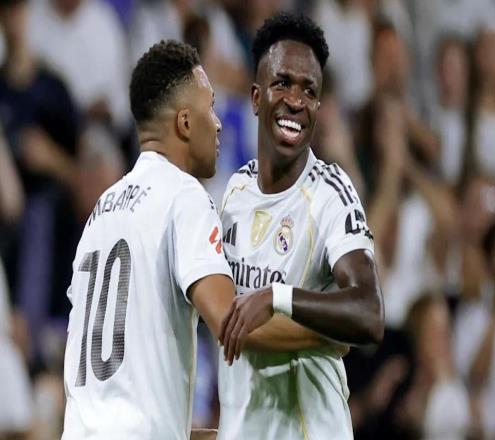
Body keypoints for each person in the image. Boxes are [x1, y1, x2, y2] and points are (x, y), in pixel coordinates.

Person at [62, 39, 324, 440]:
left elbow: (120, 389)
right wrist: (324, 334)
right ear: (185, 123)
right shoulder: (183, 196)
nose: (218, 124)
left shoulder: (100, 213)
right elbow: (233, 325)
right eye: (211, 107)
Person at [218, 13, 384, 439]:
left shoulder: (331, 193)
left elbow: (369, 313)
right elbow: (225, 323)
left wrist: (278, 297)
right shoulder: (234, 193)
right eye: (283, 83)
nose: (295, 100)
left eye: (309, 90)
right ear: (256, 98)